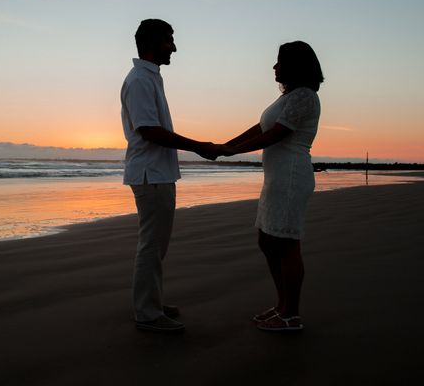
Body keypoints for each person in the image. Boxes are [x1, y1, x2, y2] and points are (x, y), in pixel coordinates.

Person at [121, 19, 221, 333]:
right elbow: (149, 131)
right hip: (151, 175)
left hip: (158, 173)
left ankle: (151, 302)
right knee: (151, 244)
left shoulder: (150, 77)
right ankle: (147, 313)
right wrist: (199, 146)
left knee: (156, 244)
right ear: (153, 42)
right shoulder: (140, 80)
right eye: (169, 40)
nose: (174, 47)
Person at [222, 41, 323, 332]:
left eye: (279, 62)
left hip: (291, 177)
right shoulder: (288, 97)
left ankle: (291, 314)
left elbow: (277, 134)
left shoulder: (305, 96)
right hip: (277, 178)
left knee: (287, 243)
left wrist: (232, 151)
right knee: (267, 241)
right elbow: (261, 127)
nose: (274, 67)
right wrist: (226, 145)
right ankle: (282, 305)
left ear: (296, 66)